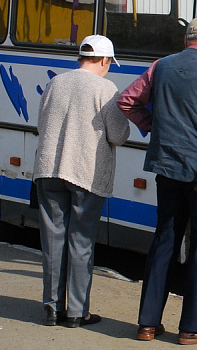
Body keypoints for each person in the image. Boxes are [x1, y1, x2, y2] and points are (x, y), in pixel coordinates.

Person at [117, 16, 197, 345]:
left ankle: (147, 324)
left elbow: (127, 101)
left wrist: (153, 125)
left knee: (164, 241)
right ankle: (194, 328)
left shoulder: (160, 66)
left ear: (186, 41)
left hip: (166, 168)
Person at [33, 34, 129, 328]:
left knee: (52, 241)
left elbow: (41, 124)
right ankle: (76, 312)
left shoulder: (56, 82)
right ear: (103, 60)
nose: (109, 68)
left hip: (48, 170)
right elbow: (118, 135)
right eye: (109, 63)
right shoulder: (105, 88)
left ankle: (51, 309)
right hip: (84, 173)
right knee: (81, 242)